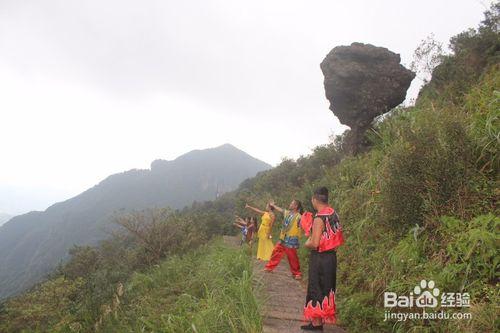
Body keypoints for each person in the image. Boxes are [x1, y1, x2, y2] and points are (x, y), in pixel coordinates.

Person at [301, 187, 344, 331]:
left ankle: (317, 324)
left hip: (320, 258)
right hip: (331, 257)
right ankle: (317, 322)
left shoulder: (319, 218)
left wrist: (306, 242)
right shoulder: (333, 213)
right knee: (326, 287)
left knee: (316, 286)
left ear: (314, 199)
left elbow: (314, 243)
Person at [264, 200, 303, 279]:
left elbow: (303, 225)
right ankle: (269, 267)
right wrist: (273, 205)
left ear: (295, 206)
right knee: (276, 251)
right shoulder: (287, 213)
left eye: (292, 203)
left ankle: (297, 273)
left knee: (292, 257)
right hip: (283, 238)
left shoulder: (299, 216)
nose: (290, 204)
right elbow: (281, 210)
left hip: (291, 239)